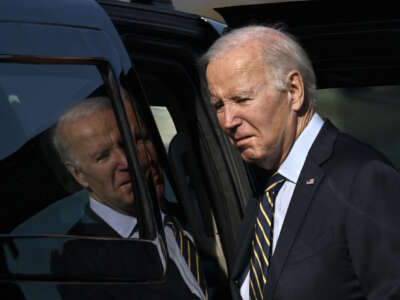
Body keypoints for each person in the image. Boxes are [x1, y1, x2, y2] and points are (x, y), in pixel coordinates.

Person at [201, 25, 400, 300]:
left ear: (294, 90)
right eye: (218, 106)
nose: (227, 121)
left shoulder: (363, 178)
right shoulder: (266, 187)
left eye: (242, 99)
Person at [51, 89, 208, 300]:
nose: (127, 162)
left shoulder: (192, 216)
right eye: (103, 156)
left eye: (135, 142)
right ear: (78, 174)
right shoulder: (79, 264)